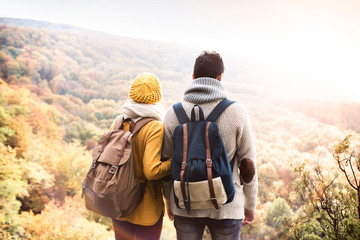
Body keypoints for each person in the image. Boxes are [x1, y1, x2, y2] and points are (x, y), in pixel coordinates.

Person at [161, 51, 258, 240]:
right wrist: (250, 205)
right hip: (227, 207)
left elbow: (166, 165)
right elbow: (248, 165)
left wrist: (169, 201)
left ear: (193, 77)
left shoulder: (173, 114)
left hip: (185, 204)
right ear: (220, 77)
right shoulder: (236, 112)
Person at [110, 72, 171, 240]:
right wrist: (174, 162)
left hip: (118, 205)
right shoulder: (155, 127)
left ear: (132, 93)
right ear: (157, 97)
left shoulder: (118, 121)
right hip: (146, 210)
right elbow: (151, 171)